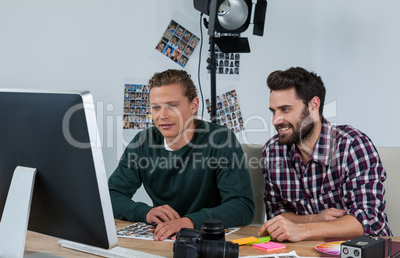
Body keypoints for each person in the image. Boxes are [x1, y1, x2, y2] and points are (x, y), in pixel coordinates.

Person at [108, 69, 255, 241]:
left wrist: (190, 221)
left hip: (209, 240)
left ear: (194, 105)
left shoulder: (221, 139)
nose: (162, 116)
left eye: (172, 106)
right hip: (162, 240)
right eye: (156, 107)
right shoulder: (143, 141)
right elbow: (111, 195)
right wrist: (146, 212)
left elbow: (242, 206)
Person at [259, 67, 392, 242]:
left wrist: (303, 230)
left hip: (361, 254)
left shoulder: (352, 145)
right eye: (273, 111)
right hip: (301, 254)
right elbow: (277, 215)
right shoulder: (273, 151)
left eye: (285, 109)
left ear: (314, 105)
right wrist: (314, 219)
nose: (276, 120)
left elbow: (370, 220)